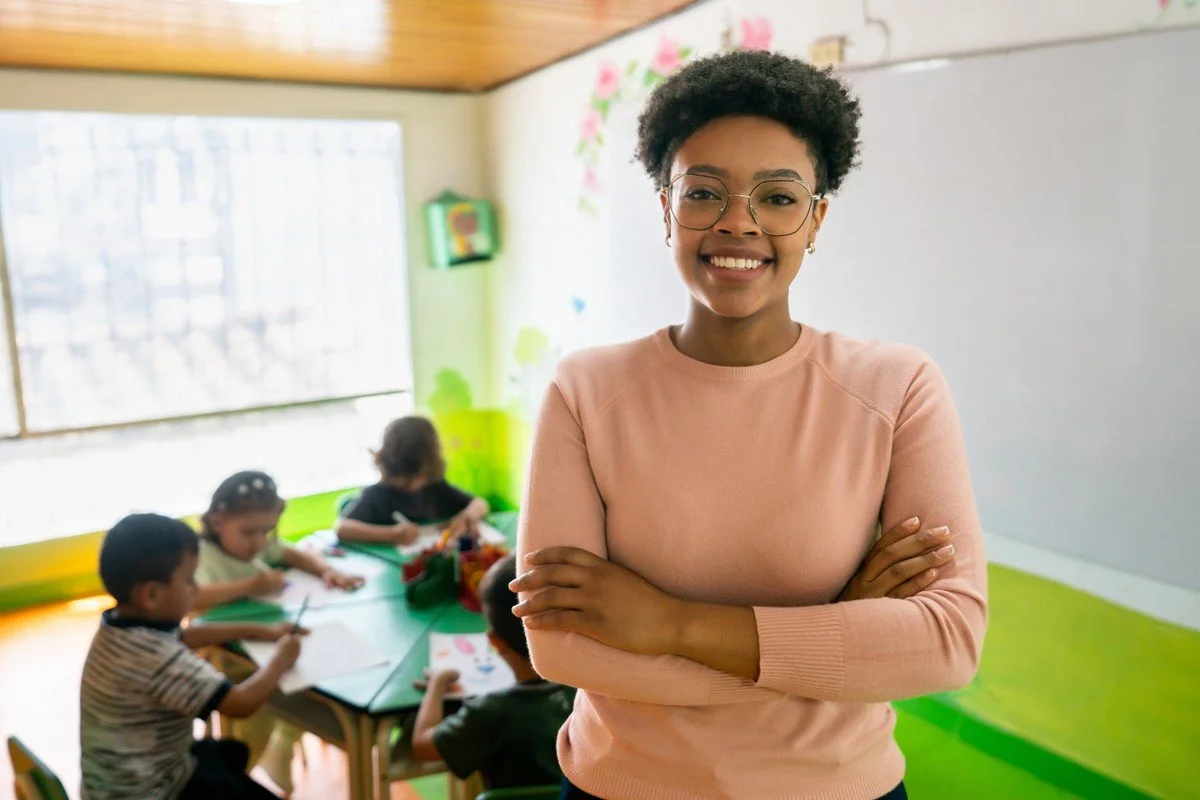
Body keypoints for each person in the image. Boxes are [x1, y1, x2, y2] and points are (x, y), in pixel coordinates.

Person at [511, 50, 986, 800]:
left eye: (777, 197)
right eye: (704, 192)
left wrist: (670, 625)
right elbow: (563, 645)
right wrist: (835, 642)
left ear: (816, 218)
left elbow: (947, 644)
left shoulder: (897, 387)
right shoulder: (585, 390)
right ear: (666, 208)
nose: (739, 222)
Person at [80, 513, 303, 800]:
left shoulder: (117, 627)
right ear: (151, 595)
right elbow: (240, 703)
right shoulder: (160, 660)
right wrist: (281, 660)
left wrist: (259, 629)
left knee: (229, 754)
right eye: (189, 581)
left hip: (116, 784)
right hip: (157, 790)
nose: (196, 590)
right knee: (227, 759)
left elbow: (185, 636)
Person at [191, 470, 362, 793]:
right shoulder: (203, 554)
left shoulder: (259, 546)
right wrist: (250, 584)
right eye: (249, 532)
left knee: (306, 676)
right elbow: (193, 598)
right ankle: (255, 765)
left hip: (267, 648)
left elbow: (289, 552)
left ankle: (284, 742)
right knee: (265, 707)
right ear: (216, 522)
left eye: (266, 532)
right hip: (229, 660)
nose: (259, 542)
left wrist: (328, 569)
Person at [410, 553, 574, 789]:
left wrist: (437, 684)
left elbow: (423, 746)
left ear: (495, 641)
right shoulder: (587, 693)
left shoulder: (491, 712)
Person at [335, 416, 490, 545]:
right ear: (388, 467)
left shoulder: (435, 487)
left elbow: (480, 503)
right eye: (405, 479)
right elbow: (342, 528)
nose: (412, 485)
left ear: (430, 466)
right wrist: (391, 534)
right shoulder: (376, 495)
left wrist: (466, 516)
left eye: (417, 477)